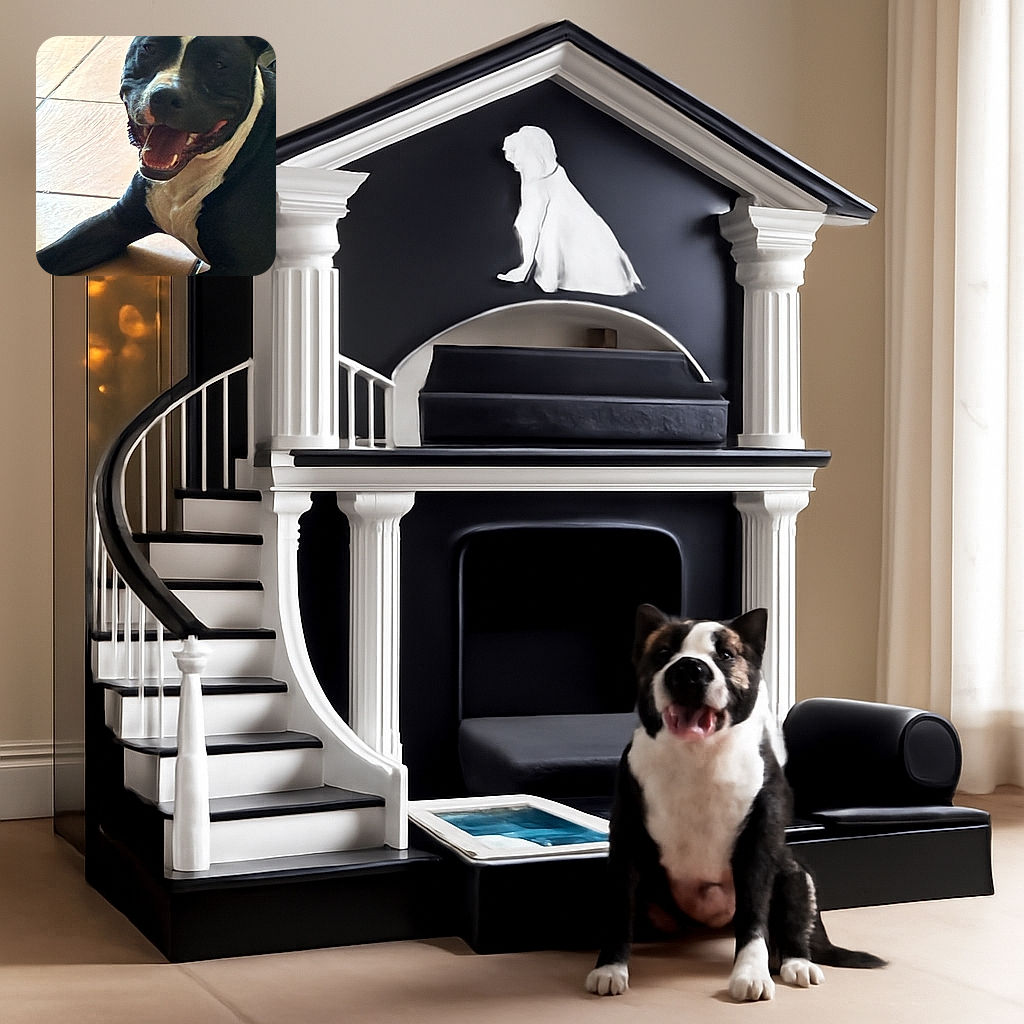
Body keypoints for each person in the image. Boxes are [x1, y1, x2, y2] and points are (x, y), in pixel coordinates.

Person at [498, 126, 642, 296]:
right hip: (588, 237)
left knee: (550, 229)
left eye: (516, 160)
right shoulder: (555, 171)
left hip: (565, 234)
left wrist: (526, 265)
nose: (516, 165)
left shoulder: (535, 182)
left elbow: (532, 222)